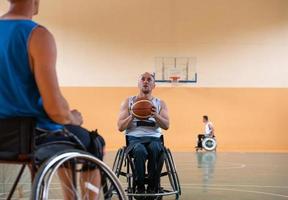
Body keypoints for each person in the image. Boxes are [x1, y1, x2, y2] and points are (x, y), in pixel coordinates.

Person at [0, 0, 104, 199]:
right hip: (33, 137)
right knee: (92, 141)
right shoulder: (37, 36)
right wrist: (73, 117)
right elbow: (55, 110)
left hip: (4, 137)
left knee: (64, 138)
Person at [117, 72, 170, 198]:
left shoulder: (160, 103)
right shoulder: (128, 102)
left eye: (149, 80)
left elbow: (166, 125)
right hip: (134, 139)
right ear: (138, 83)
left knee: (155, 148)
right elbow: (120, 127)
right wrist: (132, 116)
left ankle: (153, 186)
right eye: (143, 79)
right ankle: (139, 185)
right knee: (140, 151)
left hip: (155, 138)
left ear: (154, 85)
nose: (146, 81)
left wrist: (156, 115)